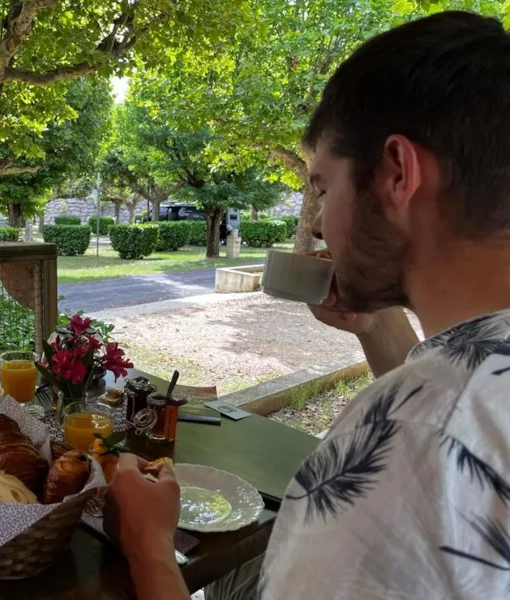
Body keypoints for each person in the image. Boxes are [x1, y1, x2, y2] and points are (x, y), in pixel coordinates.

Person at [104, 10, 510, 599]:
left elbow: (437, 422)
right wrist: (375, 326)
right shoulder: (457, 400)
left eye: (323, 187)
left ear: (397, 172)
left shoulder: (402, 437)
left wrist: (147, 546)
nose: (318, 225)